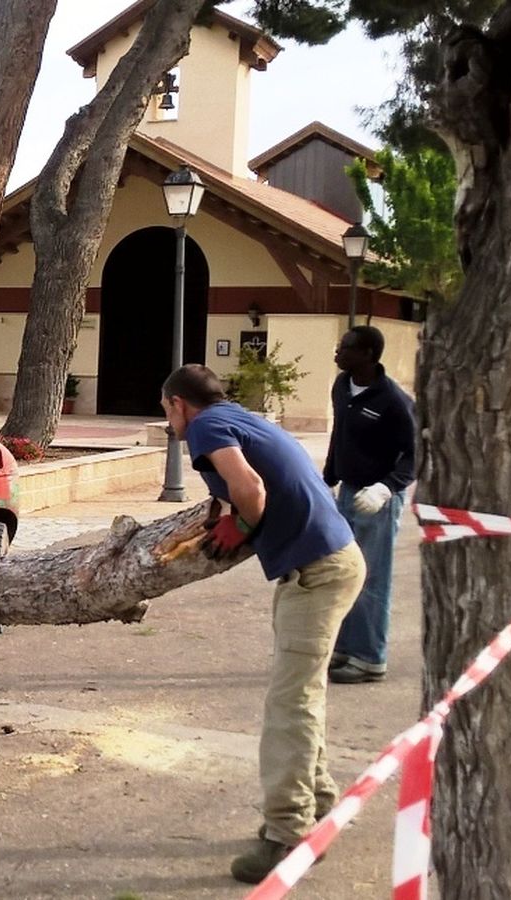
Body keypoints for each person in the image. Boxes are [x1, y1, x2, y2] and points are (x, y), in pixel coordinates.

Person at [160, 363, 366, 884]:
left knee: (289, 703)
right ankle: (318, 801)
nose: (169, 422)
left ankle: (286, 835)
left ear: (178, 404)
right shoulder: (240, 418)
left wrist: (243, 523)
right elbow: (251, 482)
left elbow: (249, 486)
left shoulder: (205, 427)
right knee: (300, 692)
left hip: (317, 572)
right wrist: (230, 516)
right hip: (326, 564)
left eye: (167, 411)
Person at [322, 326, 416, 684]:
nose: (337, 353)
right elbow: (339, 438)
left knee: (372, 578)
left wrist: (386, 488)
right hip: (347, 492)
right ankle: (347, 648)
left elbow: (414, 454)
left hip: (377, 499)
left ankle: (369, 657)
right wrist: (327, 479)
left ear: (367, 354)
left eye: (344, 348)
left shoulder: (393, 400)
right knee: (345, 572)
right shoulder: (342, 387)